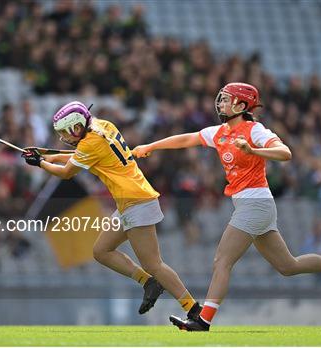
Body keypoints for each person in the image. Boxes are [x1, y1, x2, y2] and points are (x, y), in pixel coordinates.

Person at [132, 82, 321, 331]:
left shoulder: (254, 130)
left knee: (221, 260)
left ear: (242, 105)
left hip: (254, 204)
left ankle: (203, 320)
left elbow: (285, 152)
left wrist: (254, 149)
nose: (221, 103)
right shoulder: (220, 132)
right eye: (222, 99)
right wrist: (151, 146)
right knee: (289, 266)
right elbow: (188, 138)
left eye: (227, 99)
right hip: (254, 205)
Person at [21, 101, 201, 317]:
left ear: (77, 127)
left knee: (154, 263)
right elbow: (80, 156)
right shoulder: (103, 126)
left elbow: (67, 172)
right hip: (129, 201)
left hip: (137, 201)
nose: (63, 137)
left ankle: (193, 309)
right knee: (101, 251)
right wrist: (46, 156)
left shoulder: (89, 144)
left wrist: (40, 163)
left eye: (64, 132)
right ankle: (148, 283)